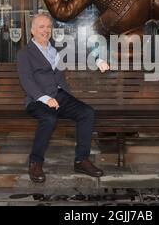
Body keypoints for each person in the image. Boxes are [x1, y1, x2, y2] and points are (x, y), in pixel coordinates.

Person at [17, 12, 110, 183]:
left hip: (60, 96)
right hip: (37, 100)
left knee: (87, 113)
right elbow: (27, 82)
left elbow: (79, 52)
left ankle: (81, 160)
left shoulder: (56, 48)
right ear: (32, 31)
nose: (46, 30)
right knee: (49, 118)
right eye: (41, 27)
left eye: (49, 27)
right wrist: (45, 98)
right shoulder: (25, 54)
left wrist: (97, 60)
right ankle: (35, 162)